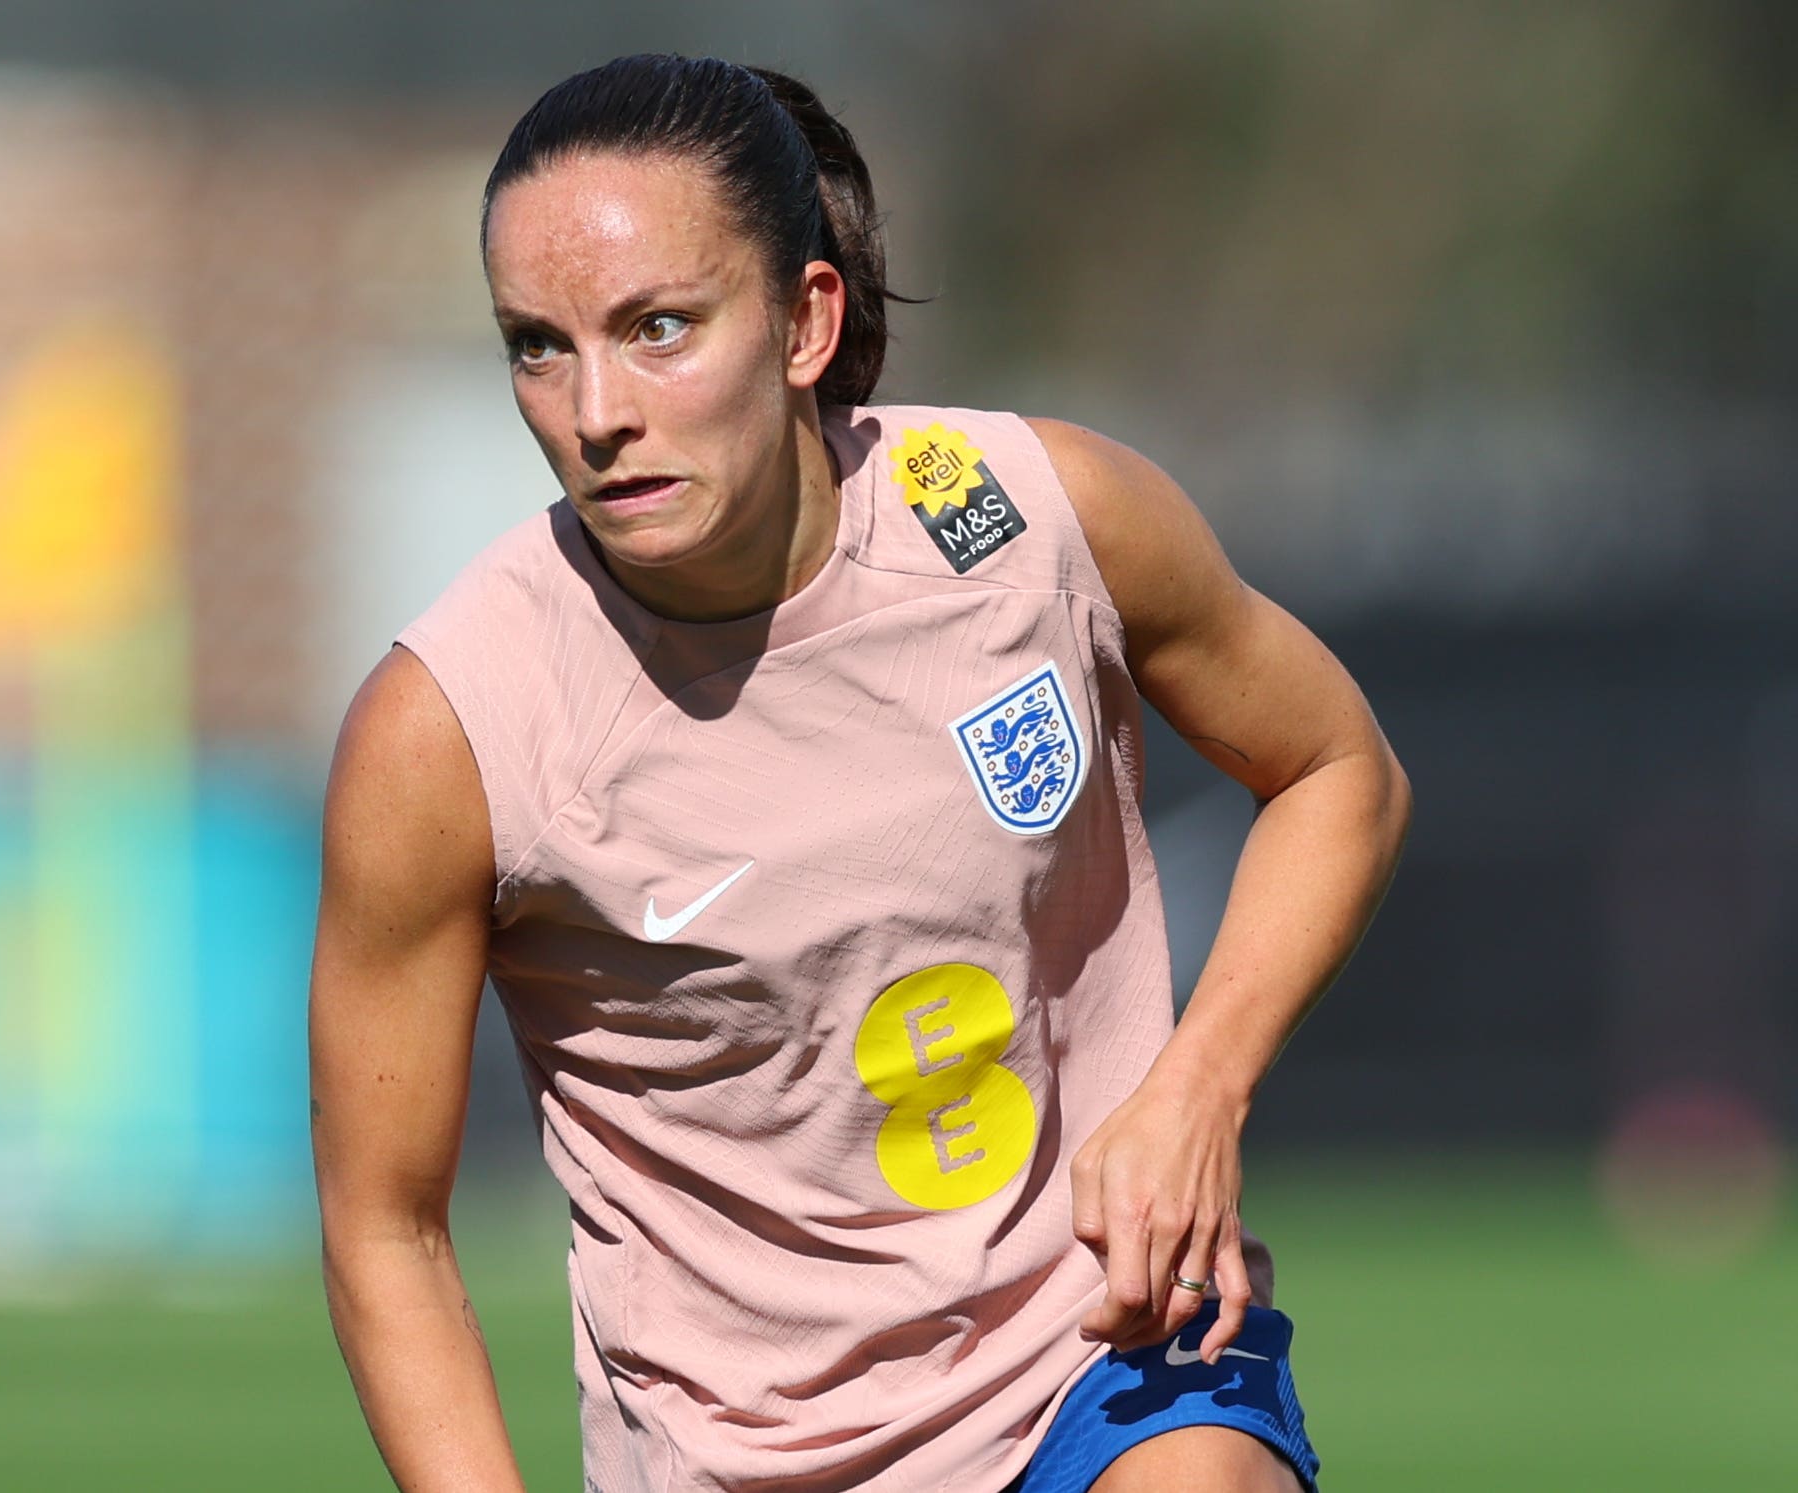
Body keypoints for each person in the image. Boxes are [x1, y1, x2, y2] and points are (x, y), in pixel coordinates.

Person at [311, 54, 1410, 1493]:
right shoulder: (449, 727)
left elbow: (1339, 767)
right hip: (735, 1455)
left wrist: (1200, 1083)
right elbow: (385, 1224)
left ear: (805, 320)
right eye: (538, 344)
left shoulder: (1035, 523)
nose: (595, 409)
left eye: (659, 328)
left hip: (1103, 1363)